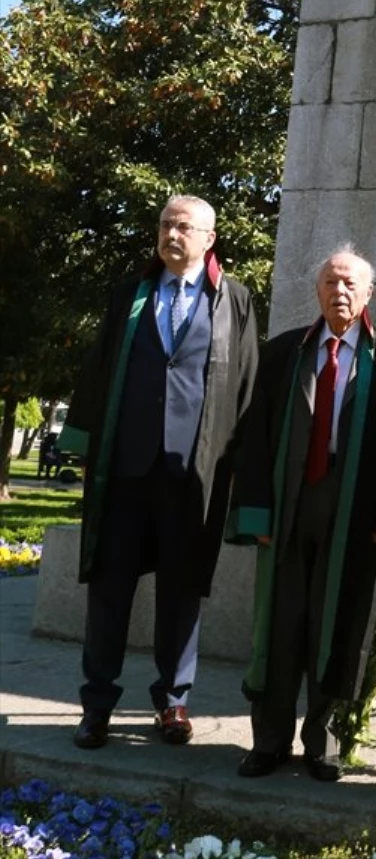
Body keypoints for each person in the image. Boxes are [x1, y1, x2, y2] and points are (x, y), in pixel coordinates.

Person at [59, 195, 259, 750]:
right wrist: (81, 446)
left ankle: (173, 701)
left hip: (193, 472)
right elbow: (98, 370)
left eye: (184, 226)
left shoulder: (234, 300)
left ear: (209, 238)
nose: (172, 233)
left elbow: (245, 385)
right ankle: (97, 702)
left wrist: (240, 465)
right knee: (110, 586)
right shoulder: (130, 293)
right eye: (166, 224)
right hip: (125, 467)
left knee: (182, 588)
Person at [228, 246, 376, 782]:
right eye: (331, 282)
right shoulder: (285, 353)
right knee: (281, 623)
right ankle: (268, 741)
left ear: (368, 295)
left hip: (356, 509)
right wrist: (256, 514)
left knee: (339, 623)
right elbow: (257, 438)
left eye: (350, 285)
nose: (340, 291)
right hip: (291, 502)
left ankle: (324, 742)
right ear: (317, 290)